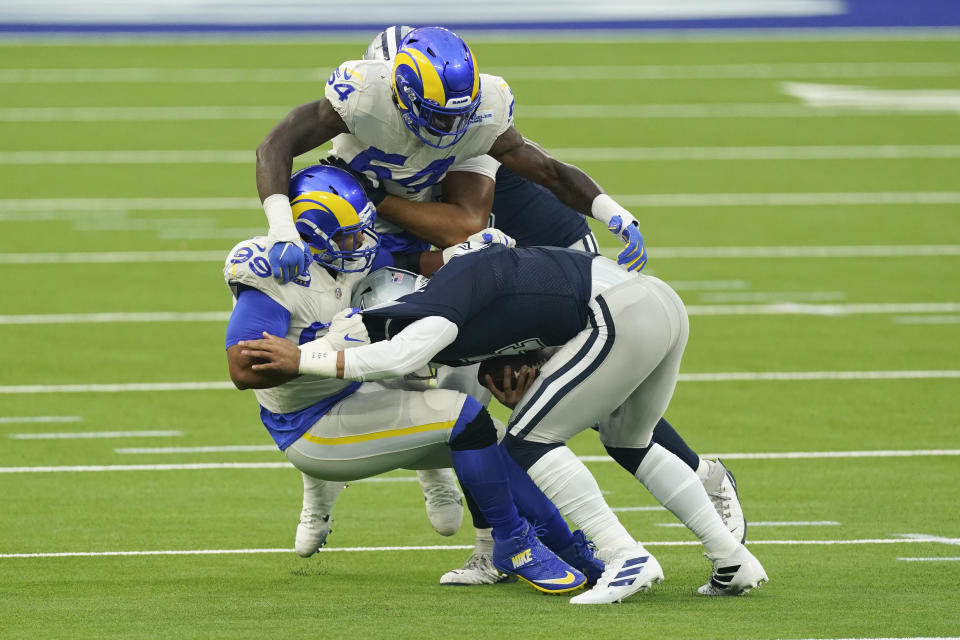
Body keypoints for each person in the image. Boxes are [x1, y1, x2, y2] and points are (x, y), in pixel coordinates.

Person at [238, 237, 769, 604]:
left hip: (619, 312)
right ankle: (732, 559)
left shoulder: (437, 304)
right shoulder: (462, 285)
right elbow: (532, 310)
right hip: (655, 300)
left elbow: (401, 357)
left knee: (528, 442)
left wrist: (302, 360)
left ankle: (624, 556)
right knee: (631, 440)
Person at [225, 165, 604, 594]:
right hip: (311, 425)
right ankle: (513, 545)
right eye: (351, 235)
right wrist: (321, 351)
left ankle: (571, 551)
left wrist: (470, 255)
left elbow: (416, 263)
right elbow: (242, 370)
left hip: (355, 394)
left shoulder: (346, 258)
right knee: (466, 418)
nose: (364, 243)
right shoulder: (275, 276)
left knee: (498, 444)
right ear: (312, 236)